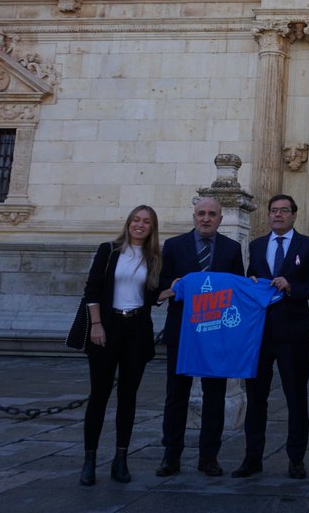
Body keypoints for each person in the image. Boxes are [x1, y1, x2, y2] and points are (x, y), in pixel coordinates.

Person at [232, 194, 309, 480]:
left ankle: (296, 459)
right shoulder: (257, 246)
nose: (278, 215)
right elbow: (250, 280)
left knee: (295, 397)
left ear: (294, 215)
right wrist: (253, 283)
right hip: (259, 334)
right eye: (274, 211)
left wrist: (291, 286)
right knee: (256, 397)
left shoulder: (308, 246)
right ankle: (252, 457)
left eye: (284, 211)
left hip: (293, 333)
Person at [156, 197, 245, 478]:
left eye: (212, 215)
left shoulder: (232, 249)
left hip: (215, 335)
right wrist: (174, 287)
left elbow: (236, 291)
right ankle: (171, 456)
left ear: (221, 219)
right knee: (176, 396)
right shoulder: (173, 246)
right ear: (194, 216)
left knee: (215, 396)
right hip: (182, 333)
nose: (206, 219)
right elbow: (159, 285)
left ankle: (209, 456)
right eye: (201, 214)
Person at [80, 205, 162, 486]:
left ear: (152, 228)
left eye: (146, 222)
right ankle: (89, 460)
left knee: (128, 397)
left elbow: (151, 296)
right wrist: (97, 324)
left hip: (137, 330)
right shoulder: (109, 250)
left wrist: (180, 286)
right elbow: (92, 288)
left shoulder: (153, 257)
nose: (140, 225)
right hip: (107, 327)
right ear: (128, 223)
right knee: (99, 395)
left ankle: (120, 459)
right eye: (136, 220)